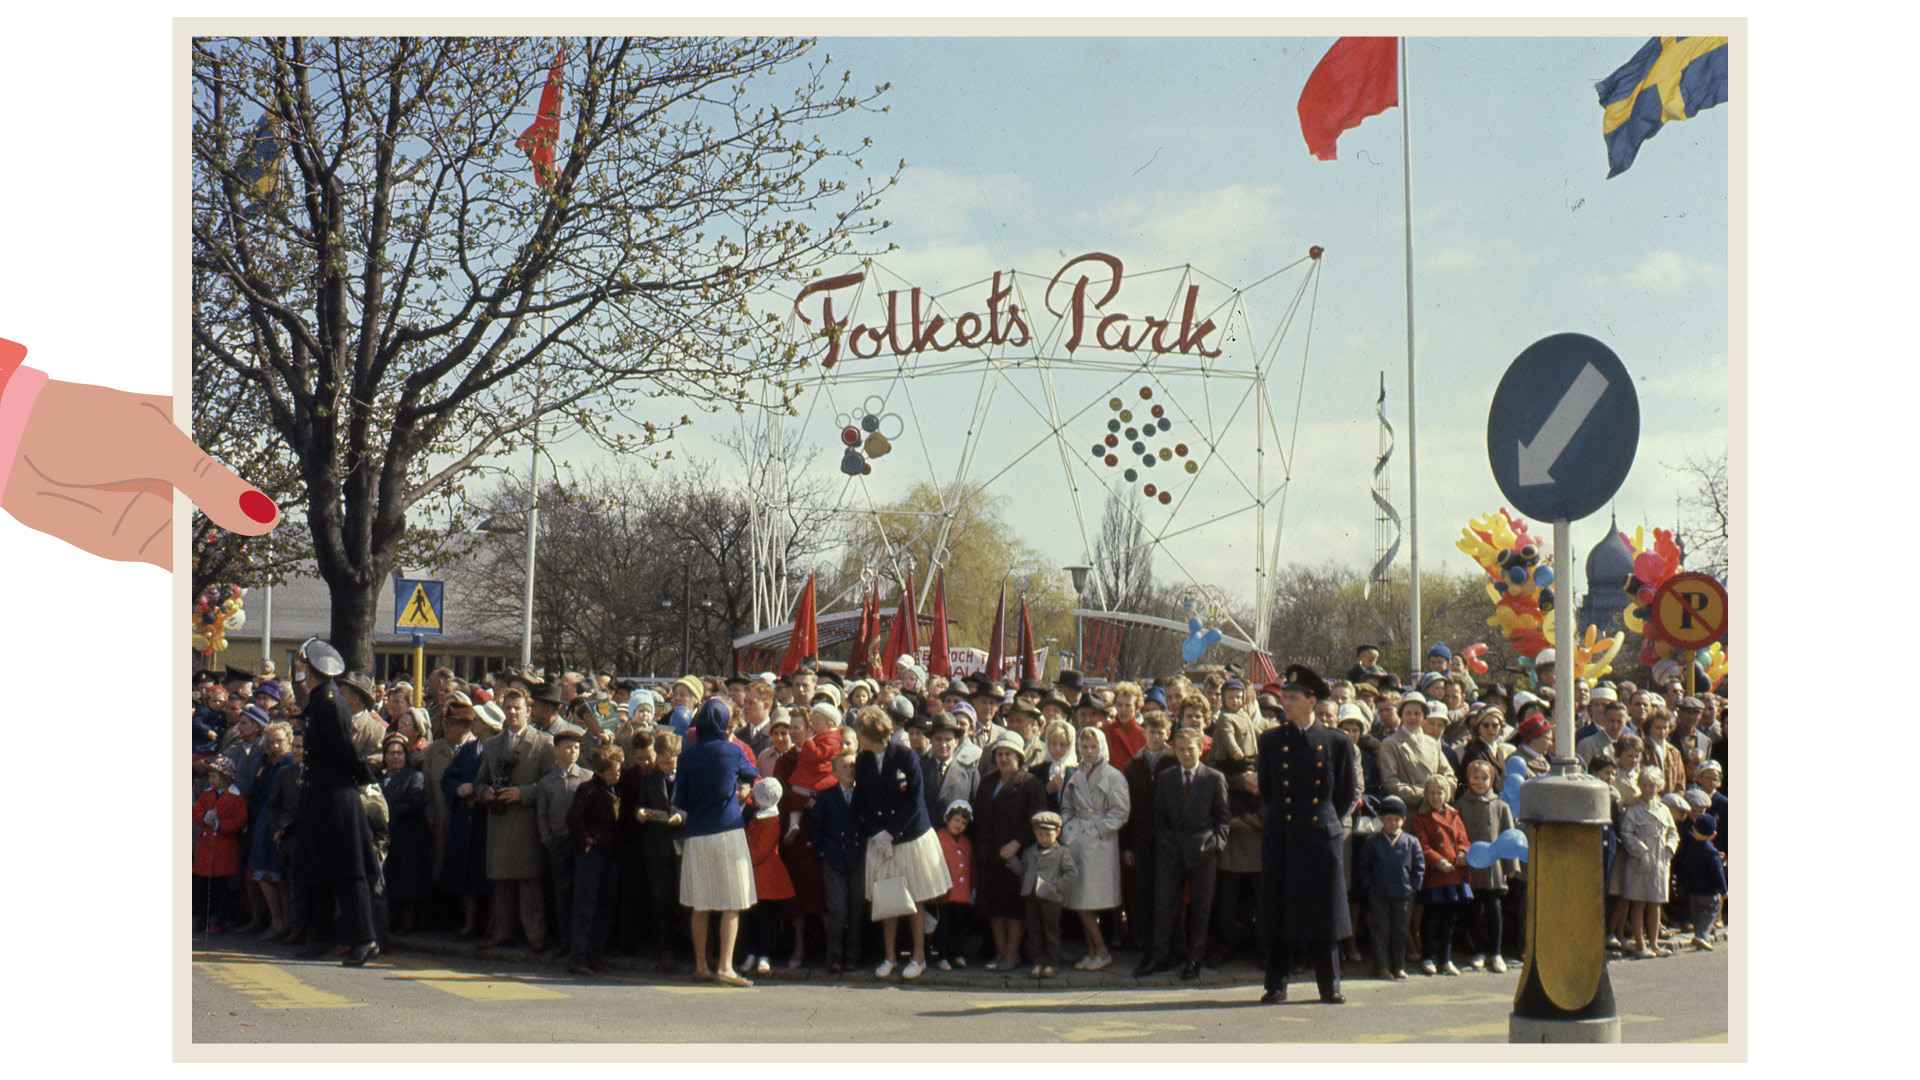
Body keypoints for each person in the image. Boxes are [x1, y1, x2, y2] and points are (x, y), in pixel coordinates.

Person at [1255, 663, 1357, 1005]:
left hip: (1319, 837)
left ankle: (1330, 984)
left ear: (1312, 701)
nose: (1286, 702)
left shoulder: (1336, 742)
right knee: (1278, 909)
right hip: (1282, 833)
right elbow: (1268, 790)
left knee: (1324, 912)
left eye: (1294, 697)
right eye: (1284, 696)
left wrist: (1322, 820)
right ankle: (1276, 983)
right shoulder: (1270, 740)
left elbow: (1344, 794)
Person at [289, 638, 382, 967]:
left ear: (311, 671)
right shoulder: (322, 698)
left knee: (348, 870)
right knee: (318, 868)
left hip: (336, 795)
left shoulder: (329, 702)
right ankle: (323, 935)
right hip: (322, 795)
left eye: (303, 667)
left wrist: (364, 776)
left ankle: (364, 938)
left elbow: (345, 749)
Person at [850, 705, 952, 981]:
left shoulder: (906, 755)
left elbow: (915, 799)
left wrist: (891, 832)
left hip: (911, 836)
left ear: (871, 734)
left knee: (916, 900)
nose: (858, 739)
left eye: (860, 734)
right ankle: (890, 957)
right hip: (882, 839)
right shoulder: (863, 760)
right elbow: (863, 803)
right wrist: (876, 833)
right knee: (887, 898)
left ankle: (918, 958)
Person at [674, 699, 759, 987]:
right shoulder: (734, 750)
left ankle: (700, 965)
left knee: (701, 904)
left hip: (697, 834)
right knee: (731, 904)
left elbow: (681, 801)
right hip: (728, 830)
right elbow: (752, 773)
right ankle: (725, 966)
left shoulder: (687, 756)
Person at [1138, 727, 1230, 982]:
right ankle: (1160, 955)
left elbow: (1222, 819)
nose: (1186, 754)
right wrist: (1166, 843)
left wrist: (1215, 845)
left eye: (1191, 749)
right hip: (1171, 851)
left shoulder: (1213, 778)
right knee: (1165, 905)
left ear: (1200, 750)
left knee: (1201, 909)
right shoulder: (1166, 777)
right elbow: (1159, 816)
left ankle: (1194, 959)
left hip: (1203, 852)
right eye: (1181, 749)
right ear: (1174, 751)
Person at [475, 689, 558, 951]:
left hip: (527, 822)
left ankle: (535, 935)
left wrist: (522, 793)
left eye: (517, 708)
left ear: (528, 711)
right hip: (499, 822)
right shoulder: (492, 745)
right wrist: (484, 792)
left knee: (529, 881)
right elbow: (480, 782)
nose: (512, 712)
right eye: (508, 708)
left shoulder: (544, 743)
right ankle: (503, 932)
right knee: (502, 882)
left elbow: (550, 783)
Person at [972, 730, 1048, 971]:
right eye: (1000, 754)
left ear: (1019, 756)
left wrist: (1016, 843)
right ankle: (1001, 953)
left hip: (1015, 856)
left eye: (1008, 754)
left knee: (1014, 909)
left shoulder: (1030, 784)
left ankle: (1013, 953)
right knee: (993, 908)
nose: (1003, 759)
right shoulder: (987, 781)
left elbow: (1036, 819)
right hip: (989, 854)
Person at [1059, 725, 1129, 970]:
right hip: (1076, 839)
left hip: (1100, 844)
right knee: (1079, 899)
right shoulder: (1076, 775)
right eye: (1085, 747)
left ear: (1102, 747)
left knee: (1087, 901)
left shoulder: (1113, 776)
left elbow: (1120, 812)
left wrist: (1099, 830)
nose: (1089, 751)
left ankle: (1101, 950)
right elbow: (1065, 806)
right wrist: (1069, 827)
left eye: (1093, 747)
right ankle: (1093, 951)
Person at [565, 743, 625, 977]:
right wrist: (587, 844)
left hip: (611, 855)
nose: (617, 774)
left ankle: (595, 954)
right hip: (592, 856)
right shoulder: (588, 790)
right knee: (585, 906)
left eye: (618, 769)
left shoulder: (616, 789)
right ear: (600, 770)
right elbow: (574, 819)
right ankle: (578, 957)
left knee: (605, 906)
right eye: (612, 770)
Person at [1453, 759, 1516, 972]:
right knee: (1473, 908)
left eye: (1484, 778)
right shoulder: (1461, 804)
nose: (1479, 782)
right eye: (1475, 778)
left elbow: (1509, 838)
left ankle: (1496, 952)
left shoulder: (1500, 805)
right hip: (1471, 865)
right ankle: (1479, 950)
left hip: (1494, 866)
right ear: (1468, 779)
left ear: (1492, 780)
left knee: (1493, 908)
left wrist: (1511, 865)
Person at [1406, 773, 1471, 976]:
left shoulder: (1455, 816)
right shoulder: (1420, 820)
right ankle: (1427, 956)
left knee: (1449, 919)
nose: (1435, 796)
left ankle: (1445, 958)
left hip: (1453, 875)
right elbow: (1422, 847)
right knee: (1432, 918)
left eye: (1439, 792)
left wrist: (1462, 853)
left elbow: (1463, 839)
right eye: (1431, 792)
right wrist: (1439, 862)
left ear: (1447, 794)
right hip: (1436, 875)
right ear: (1425, 795)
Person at [536, 730, 591, 954]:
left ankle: (582, 940)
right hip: (558, 841)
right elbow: (542, 814)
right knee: (562, 891)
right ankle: (565, 938)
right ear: (556, 750)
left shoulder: (587, 777)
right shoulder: (547, 782)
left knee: (583, 891)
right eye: (568, 747)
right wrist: (547, 839)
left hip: (582, 843)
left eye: (577, 748)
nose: (573, 752)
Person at [810, 751, 865, 975]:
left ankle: (852, 956)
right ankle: (834, 956)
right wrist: (822, 850)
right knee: (837, 909)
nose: (851, 771)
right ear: (834, 772)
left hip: (858, 858)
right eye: (845, 767)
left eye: (853, 766)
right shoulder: (825, 796)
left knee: (856, 909)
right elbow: (815, 828)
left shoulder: (863, 795)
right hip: (834, 859)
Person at [1357, 795, 1423, 979]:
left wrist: (1413, 887)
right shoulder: (1372, 841)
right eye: (1388, 819)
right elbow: (1363, 867)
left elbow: (1419, 867)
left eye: (1396, 820)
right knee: (1380, 930)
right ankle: (1381, 967)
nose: (1392, 823)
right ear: (1381, 819)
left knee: (1400, 931)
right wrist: (1369, 887)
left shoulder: (1411, 842)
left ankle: (1398, 966)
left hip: (1403, 894)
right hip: (1378, 894)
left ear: (1403, 820)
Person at [1618, 765, 1680, 958]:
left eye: (1652, 786)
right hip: (1639, 863)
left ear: (1659, 786)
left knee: (1655, 903)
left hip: (1660, 862)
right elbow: (1626, 833)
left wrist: (1670, 848)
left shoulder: (1664, 809)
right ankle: (1640, 945)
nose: (1647, 790)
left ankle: (1654, 944)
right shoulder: (1634, 809)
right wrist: (1641, 851)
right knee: (1639, 903)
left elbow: (1673, 832)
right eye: (1644, 785)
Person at [639, 732, 687, 972]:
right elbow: (640, 804)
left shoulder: (687, 778)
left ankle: (688, 947)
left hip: (681, 845)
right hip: (656, 847)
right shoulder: (650, 778)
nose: (668, 766)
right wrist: (641, 813)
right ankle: (665, 949)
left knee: (685, 898)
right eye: (664, 762)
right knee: (660, 899)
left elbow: (692, 806)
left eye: (672, 761)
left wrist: (682, 816)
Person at [247, 722, 298, 940]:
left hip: (279, 823)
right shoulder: (268, 763)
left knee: (277, 875)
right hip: (263, 821)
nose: (275, 745)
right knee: (263, 873)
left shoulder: (289, 764)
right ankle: (277, 922)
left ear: (289, 741)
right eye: (271, 742)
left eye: (279, 741)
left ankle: (284, 923)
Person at [1011, 810, 1078, 977]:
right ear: (1035, 833)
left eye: (1048, 834)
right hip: (1031, 895)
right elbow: (1023, 871)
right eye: (1040, 834)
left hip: (1051, 897)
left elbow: (1072, 873)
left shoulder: (1062, 852)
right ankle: (1038, 962)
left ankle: (1053, 962)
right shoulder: (1029, 852)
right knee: (1034, 930)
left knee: (1051, 930)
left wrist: (1056, 886)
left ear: (1057, 832)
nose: (1044, 838)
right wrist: (1011, 862)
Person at [741, 777, 795, 978]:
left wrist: (744, 859)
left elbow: (762, 850)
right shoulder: (760, 816)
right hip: (754, 875)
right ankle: (753, 953)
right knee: (752, 917)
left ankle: (764, 954)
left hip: (765, 877)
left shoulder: (771, 821)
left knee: (765, 918)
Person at [378, 733, 431, 935]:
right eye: (391, 753)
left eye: (399, 753)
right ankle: (393, 917)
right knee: (391, 879)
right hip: (387, 836)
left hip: (409, 835)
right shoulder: (380, 779)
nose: (395, 757)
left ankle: (409, 920)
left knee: (408, 880)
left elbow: (415, 804)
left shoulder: (414, 776)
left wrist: (387, 812)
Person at [192, 757, 249, 934]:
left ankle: (220, 920)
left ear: (225, 777)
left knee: (222, 886)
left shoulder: (236, 798)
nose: (211, 780)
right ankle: (203, 918)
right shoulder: (206, 795)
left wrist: (221, 825)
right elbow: (195, 813)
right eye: (210, 776)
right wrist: (203, 818)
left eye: (214, 777)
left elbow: (241, 820)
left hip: (225, 846)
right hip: (207, 845)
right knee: (203, 885)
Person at [930, 800, 975, 971]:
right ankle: (942, 956)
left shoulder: (967, 842)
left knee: (960, 925)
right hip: (945, 891)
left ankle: (959, 954)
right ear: (947, 819)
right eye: (956, 821)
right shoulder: (939, 838)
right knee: (944, 925)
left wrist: (974, 887)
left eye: (963, 823)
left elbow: (972, 866)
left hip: (962, 893)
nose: (959, 825)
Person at [1674, 812, 1726, 951]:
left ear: (1694, 830)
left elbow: (1686, 866)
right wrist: (1723, 890)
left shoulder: (1690, 848)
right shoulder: (1711, 852)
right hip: (1709, 891)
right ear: (1713, 834)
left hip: (1693, 890)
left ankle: (1698, 935)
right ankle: (1701, 936)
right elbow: (1717, 873)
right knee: (1711, 911)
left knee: (1697, 914)